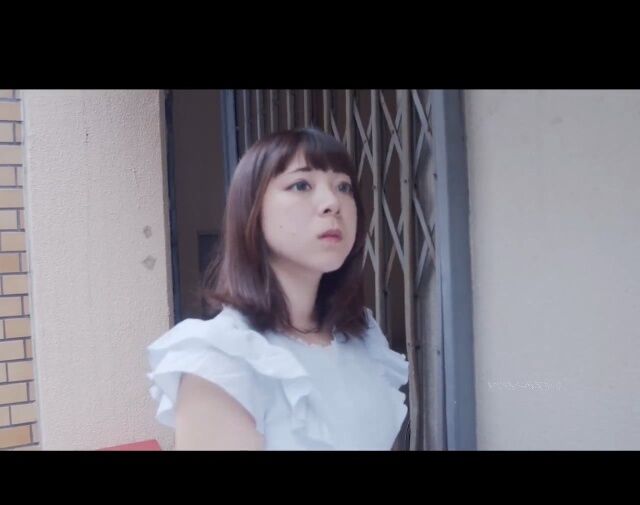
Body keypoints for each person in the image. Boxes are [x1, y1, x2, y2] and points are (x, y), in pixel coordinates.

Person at [147, 127, 409, 450]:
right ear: (252, 210)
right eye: (302, 185)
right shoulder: (222, 360)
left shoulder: (362, 339)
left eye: (343, 186)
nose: (332, 203)